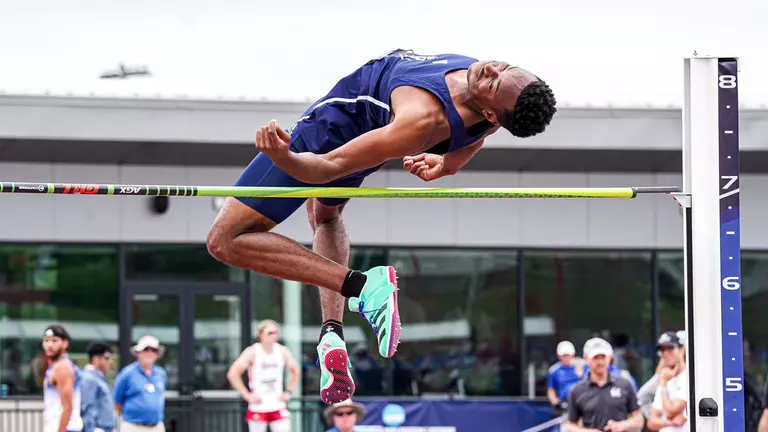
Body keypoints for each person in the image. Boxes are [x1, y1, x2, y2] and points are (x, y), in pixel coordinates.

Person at [206, 48, 557, 405]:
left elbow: (328, 167)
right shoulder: (493, 109)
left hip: (325, 139)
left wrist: (283, 156)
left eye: (494, 83)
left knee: (225, 241)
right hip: (370, 132)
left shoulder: (422, 119)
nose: (489, 70)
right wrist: (443, 166)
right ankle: (332, 332)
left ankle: (363, 286)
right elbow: (475, 139)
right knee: (325, 217)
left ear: (488, 110)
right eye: (503, 67)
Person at [227, 320, 301, 432]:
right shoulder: (252, 351)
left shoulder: (282, 351)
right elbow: (233, 373)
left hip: (277, 403)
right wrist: (246, 395)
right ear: (260, 335)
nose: (273, 336)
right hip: (258, 405)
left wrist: (289, 391)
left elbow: (295, 371)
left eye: (275, 332)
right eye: (270, 333)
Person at [566, 338, 644, 432]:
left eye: (603, 357)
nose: (600, 362)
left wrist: (621, 426)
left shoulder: (624, 384)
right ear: (586, 358)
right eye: (595, 358)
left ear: (610, 357)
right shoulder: (577, 390)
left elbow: (639, 420)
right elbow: (570, 426)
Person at [113, 335, 168, 432]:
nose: (150, 353)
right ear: (138, 352)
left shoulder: (161, 373)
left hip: (156, 426)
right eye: (146, 349)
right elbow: (117, 401)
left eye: (154, 350)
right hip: (133, 426)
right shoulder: (127, 373)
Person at [42, 324, 84, 432]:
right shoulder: (57, 365)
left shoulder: (62, 367)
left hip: (65, 428)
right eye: (46, 340)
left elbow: (67, 407)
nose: (49, 345)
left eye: (54, 341)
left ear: (65, 343)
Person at [647, 332, 688, 432]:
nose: (665, 353)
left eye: (670, 348)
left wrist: (664, 383)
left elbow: (670, 411)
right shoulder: (665, 378)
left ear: (682, 350)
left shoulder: (688, 377)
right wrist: (671, 422)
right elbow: (651, 422)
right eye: (662, 350)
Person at [547, 341, 585, 429]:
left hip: (582, 403)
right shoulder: (554, 371)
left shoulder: (582, 366)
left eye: (568, 355)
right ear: (559, 356)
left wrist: (581, 373)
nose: (566, 358)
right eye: (564, 355)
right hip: (565, 405)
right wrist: (556, 403)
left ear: (573, 355)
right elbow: (551, 390)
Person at [80, 342, 116, 432]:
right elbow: (87, 408)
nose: (110, 362)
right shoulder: (89, 379)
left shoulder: (99, 378)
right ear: (96, 359)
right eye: (107, 358)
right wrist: (91, 429)